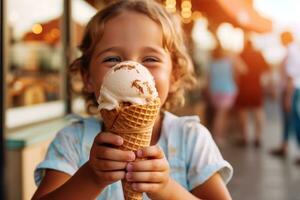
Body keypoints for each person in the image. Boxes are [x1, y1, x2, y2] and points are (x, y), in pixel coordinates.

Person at [32, 1, 233, 199]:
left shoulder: (191, 139)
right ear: (87, 78)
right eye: (112, 59)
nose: (133, 72)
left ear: (175, 76)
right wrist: (91, 178)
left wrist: (167, 189)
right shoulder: (73, 140)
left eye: (150, 59)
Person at [271, 31, 300, 165]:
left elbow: (291, 76)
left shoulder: (291, 52)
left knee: (294, 120)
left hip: (291, 90)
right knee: (288, 120)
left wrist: (288, 97)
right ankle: (284, 146)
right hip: (291, 89)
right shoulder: (293, 50)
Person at [208, 43, 246, 145]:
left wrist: (210, 92)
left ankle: (220, 136)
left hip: (215, 91)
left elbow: (209, 79)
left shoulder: (213, 63)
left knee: (219, 115)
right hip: (228, 90)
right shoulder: (229, 61)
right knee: (222, 116)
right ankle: (218, 137)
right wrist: (233, 55)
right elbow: (243, 69)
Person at [234, 39, 269, 147]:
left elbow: (238, 72)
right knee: (258, 112)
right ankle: (257, 137)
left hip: (244, 88)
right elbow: (267, 70)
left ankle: (245, 137)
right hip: (256, 87)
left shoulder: (240, 55)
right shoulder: (259, 54)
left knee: (243, 113)